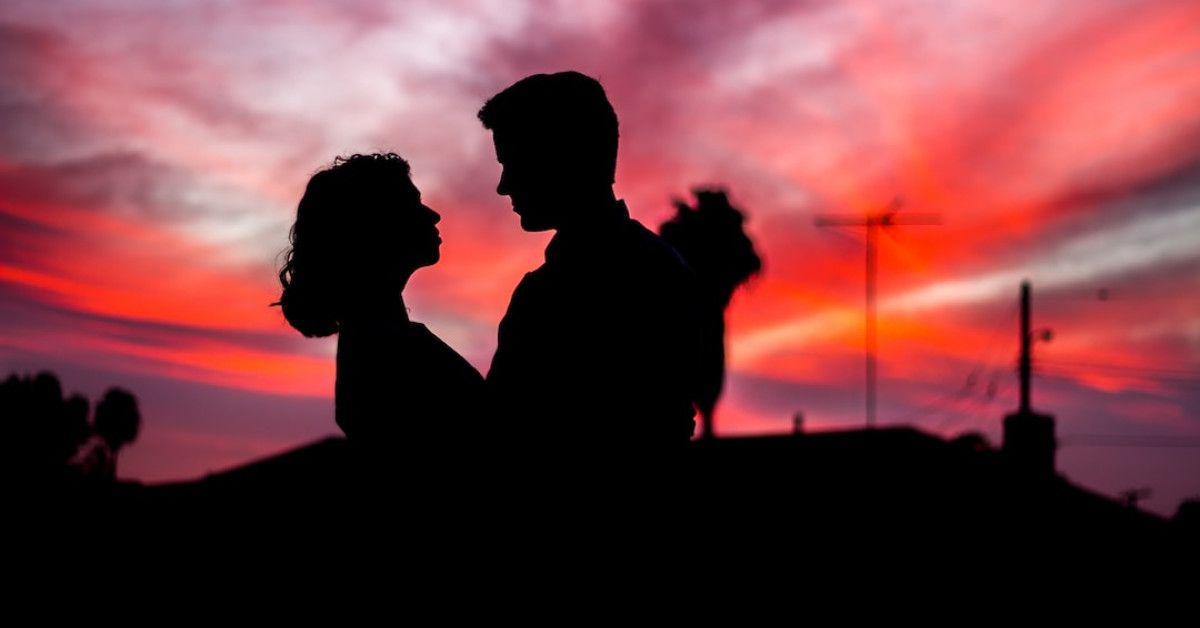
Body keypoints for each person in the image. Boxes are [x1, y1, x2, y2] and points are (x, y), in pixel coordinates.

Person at [478, 71, 702, 468]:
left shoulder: (558, 291)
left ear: (565, 157)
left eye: (514, 161)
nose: (503, 185)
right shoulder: (661, 269)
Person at [275, 153, 484, 474]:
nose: (433, 215)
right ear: (373, 225)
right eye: (412, 204)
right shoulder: (388, 350)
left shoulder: (377, 342)